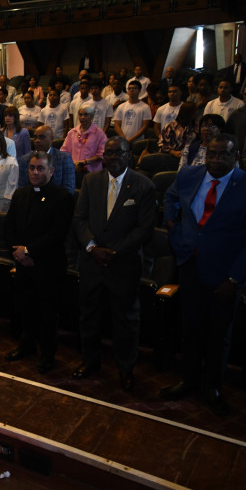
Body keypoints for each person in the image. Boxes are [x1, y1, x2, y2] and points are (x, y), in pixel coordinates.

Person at [161, 134, 246, 416]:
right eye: (212, 154)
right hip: (190, 264)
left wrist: (235, 280)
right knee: (191, 328)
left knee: (218, 334)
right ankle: (188, 380)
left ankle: (213, 387)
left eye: (223, 155)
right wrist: (173, 226)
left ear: (236, 158)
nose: (215, 160)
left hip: (225, 276)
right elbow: (171, 196)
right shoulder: (189, 174)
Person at [72, 137, 155, 391]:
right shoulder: (91, 180)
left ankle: (125, 368)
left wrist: (115, 251)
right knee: (89, 315)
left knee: (125, 320)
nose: (114, 157)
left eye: (120, 152)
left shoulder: (144, 186)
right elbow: (80, 219)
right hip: (92, 262)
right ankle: (90, 361)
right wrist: (93, 248)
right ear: (103, 156)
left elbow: (144, 229)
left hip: (124, 265)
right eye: (109, 153)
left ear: (129, 155)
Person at [4, 151, 74, 373]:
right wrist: (18, 253)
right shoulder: (20, 194)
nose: (35, 172)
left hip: (48, 266)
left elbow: (57, 233)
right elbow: (10, 227)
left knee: (47, 313)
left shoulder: (62, 197)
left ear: (51, 171)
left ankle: (47, 354)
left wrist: (29, 251)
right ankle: (26, 345)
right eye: (32, 168)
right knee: (25, 308)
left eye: (40, 168)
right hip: (23, 264)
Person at [17, 125, 75, 194]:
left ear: (51, 139)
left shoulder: (64, 158)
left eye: (42, 137)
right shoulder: (25, 159)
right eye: (35, 137)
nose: (37, 140)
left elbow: (69, 190)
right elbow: (22, 189)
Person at [62, 105, 107, 185]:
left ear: (92, 116)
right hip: (73, 170)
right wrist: (72, 164)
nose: (82, 117)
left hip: (92, 172)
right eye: (80, 114)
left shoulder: (99, 133)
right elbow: (64, 151)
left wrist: (84, 162)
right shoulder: (72, 132)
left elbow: (102, 154)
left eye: (86, 115)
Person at [113, 80, 153, 147]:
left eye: (134, 88)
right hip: (123, 140)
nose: (131, 90)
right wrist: (124, 138)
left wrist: (131, 139)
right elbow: (116, 124)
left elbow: (145, 126)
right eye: (129, 88)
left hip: (138, 141)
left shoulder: (145, 107)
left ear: (139, 90)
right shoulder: (121, 106)